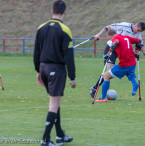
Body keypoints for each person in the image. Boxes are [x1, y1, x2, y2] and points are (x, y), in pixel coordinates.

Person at [33, 0, 76, 146]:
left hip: (43, 68)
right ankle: (45, 139)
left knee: (55, 102)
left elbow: (36, 52)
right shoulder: (65, 30)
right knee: (54, 103)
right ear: (65, 12)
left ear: (52, 11)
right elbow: (69, 56)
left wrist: (38, 70)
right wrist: (72, 77)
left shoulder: (41, 27)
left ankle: (60, 136)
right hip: (56, 70)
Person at [90, 22, 145, 98]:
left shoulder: (138, 34)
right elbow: (108, 27)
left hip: (122, 52)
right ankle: (96, 89)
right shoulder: (124, 25)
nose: (138, 32)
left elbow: (140, 44)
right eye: (138, 30)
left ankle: (102, 92)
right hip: (111, 48)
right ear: (135, 26)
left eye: (140, 31)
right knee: (108, 73)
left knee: (123, 69)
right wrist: (98, 35)